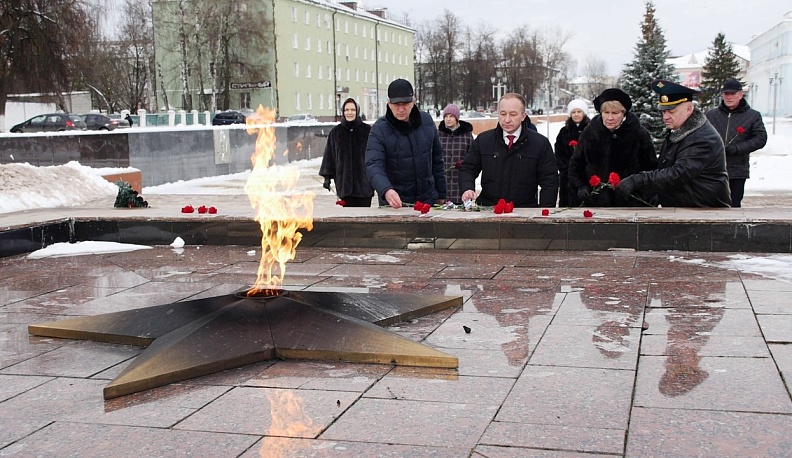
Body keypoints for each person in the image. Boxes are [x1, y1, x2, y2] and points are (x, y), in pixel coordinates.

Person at [616, 80, 731, 207]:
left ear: (689, 109)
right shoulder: (680, 130)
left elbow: (677, 174)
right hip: (687, 207)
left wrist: (638, 180)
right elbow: (664, 166)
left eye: (671, 111)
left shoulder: (702, 138)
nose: (665, 117)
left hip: (705, 211)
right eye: (663, 111)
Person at [458, 92, 558, 208]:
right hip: (488, 210)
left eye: (513, 114)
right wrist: (467, 188)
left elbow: (550, 181)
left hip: (525, 211)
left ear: (523, 116)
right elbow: (468, 168)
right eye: (503, 114)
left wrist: (545, 212)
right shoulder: (483, 140)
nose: (507, 119)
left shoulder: (540, 144)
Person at [365, 79, 447, 208]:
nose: (401, 109)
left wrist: (442, 193)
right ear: (389, 104)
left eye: (405, 104)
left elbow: (437, 159)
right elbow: (373, 165)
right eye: (396, 104)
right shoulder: (380, 129)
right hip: (396, 202)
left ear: (413, 102)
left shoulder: (426, 121)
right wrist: (386, 190)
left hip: (427, 200)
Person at [569, 88, 657, 207]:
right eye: (606, 113)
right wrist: (581, 186)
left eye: (615, 113)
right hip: (596, 203)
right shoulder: (590, 133)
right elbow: (575, 165)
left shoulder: (638, 134)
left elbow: (651, 169)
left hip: (631, 204)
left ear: (624, 113)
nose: (610, 118)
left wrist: (637, 189)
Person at [705, 78, 767, 207]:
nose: (728, 97)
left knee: (733, 204)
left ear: (740, 94)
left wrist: (737, 149)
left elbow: (760, 139)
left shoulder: (753, 116)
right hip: (712, 169)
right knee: (710, 204)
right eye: (726, 94)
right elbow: (701, 136)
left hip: (737, 169)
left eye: (732, 94)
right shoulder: (711, 115)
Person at [319, 97, 374, 207]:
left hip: (364, 185)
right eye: (347, 110)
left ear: (357, 111)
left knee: (363, 218)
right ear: (343, 112)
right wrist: (327, 177)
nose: (349, 113)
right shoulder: (336, 132)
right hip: (344, 184)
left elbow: (374, 156)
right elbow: (329, 156)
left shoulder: (367, 131)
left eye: (352, 110)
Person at [554, 99, 590, 207]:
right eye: (573, 112)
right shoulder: (564, 131)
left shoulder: (590, 130)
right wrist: (565, 168)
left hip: (585, 176)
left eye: (579, 112)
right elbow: (558, 151)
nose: (576, 114)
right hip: (566, 177)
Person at [437, 103, 474, 204]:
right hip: (443, 178)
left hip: (460, 180)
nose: (448, 119)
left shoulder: (467, 136)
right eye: (446, 116)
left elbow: (472, 156)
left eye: (451, 116)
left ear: (457, 118)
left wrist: (463, 164)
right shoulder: (438, 135)